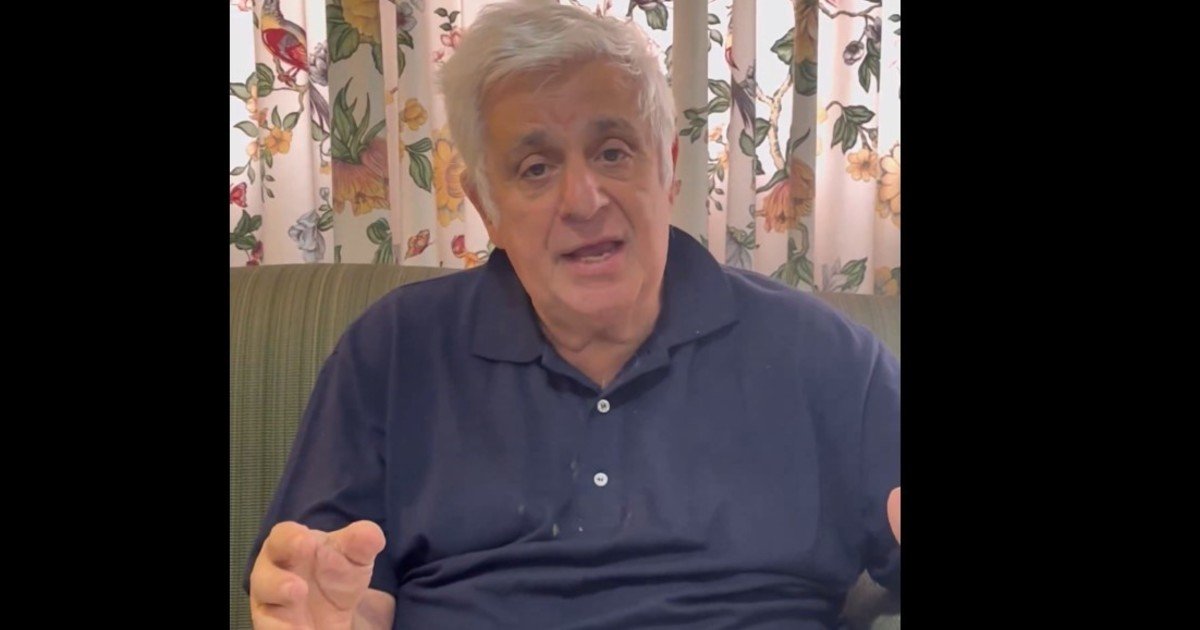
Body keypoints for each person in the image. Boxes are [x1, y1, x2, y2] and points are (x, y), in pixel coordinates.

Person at [245, 2, 900, 628]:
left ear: (668, 169)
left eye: (613, 151)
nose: (583, 201)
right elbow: (336, 592)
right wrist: (327, 613)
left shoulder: (821, 352)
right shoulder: (393, 350)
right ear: (486, 207)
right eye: (535, 168)